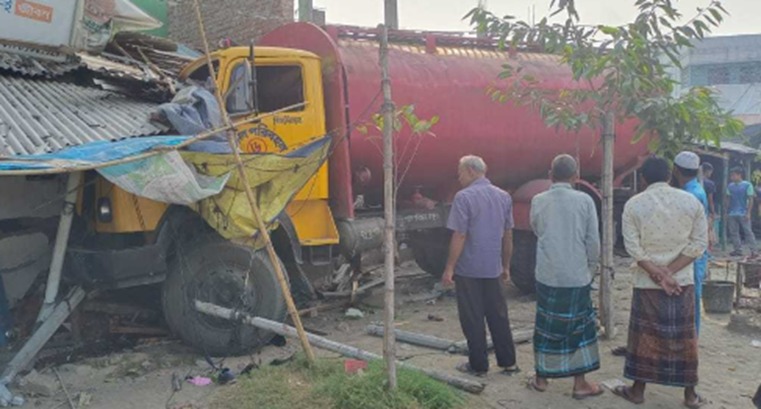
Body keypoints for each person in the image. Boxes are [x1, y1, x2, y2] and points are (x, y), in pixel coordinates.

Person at [616, 157, 708, 408]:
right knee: (684, 338)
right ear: (670, 175)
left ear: (643, 178)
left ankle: (637, 391)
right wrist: (670, 272)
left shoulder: (634, 204)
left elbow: (632, 246)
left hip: (647, 283)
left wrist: (658, 274)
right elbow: (699, 244)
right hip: (682, 282)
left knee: (644, 338)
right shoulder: (691, 202)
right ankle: (690, 395)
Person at [527, 154, 603, 399]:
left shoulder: (538, 200)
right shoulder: (584, 200)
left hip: (547, 273)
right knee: (579, 328)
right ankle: (580, 383)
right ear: (575, 176)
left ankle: (541, 377)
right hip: (576, 274)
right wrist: (591, 268)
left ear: (550, 174)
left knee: (545, 326)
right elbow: (593, 241)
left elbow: (537, 229)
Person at [442, 155, 519, 377]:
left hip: (469, 270)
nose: (459, 177)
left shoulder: (463, 197)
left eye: (460, 172)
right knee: (499, 314)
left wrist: (450, 268)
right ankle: (508, 362)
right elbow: (508, 236)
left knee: (473, 317)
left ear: (471, 171)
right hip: (493, 268)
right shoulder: (503, 197)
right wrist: (505, 265)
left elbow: (460, 235)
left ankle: (479, 365)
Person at [673, 151, 709, 335]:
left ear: (676, 171)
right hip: (695, 252)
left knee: (691, 294)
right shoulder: (696, 190)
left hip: (692, 252)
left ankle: (692, 335)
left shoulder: (690, 195)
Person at [726, 167, 757, 257]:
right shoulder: (730, 186)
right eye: (731, 175)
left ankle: (754, 250)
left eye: (733, 175)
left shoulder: (747, 185)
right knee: (734, 232)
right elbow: (728, 198)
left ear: (739, 175)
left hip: (743, 212)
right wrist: (727, 211)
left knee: (748, 232)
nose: (732, 177)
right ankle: (737, 249)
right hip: (732, 212)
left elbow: (750, 199)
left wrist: (748, 212)